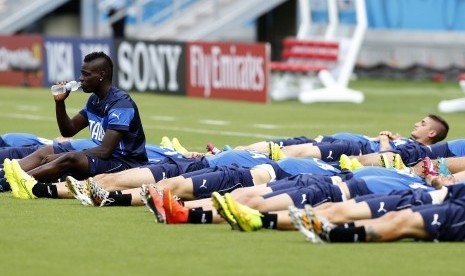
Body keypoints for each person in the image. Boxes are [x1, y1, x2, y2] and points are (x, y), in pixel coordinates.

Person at [5, 51, 148, 200]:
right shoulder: (94, 100)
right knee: (48, 150)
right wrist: (60, 103)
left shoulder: (120, 104)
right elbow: (69, 130)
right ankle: (8, 177)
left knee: (70, 157)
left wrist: (62, 156)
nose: (81, 79)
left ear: (101, 75)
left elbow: (105, 150)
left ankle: (14, 181)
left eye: (86, 75)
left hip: (127, 163)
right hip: (106, 158)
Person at [237, 115, 449, 161]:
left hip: (350, 150)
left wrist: (384, 140)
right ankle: (233, 152)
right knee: (281, 142)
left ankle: (256, 160)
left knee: (297, 151)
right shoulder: (406, 142)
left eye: (422, 123)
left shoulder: (418, 153)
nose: (415, 123)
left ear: (432, 134)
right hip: (333, 140)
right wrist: (381, 137)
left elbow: (386, 159)